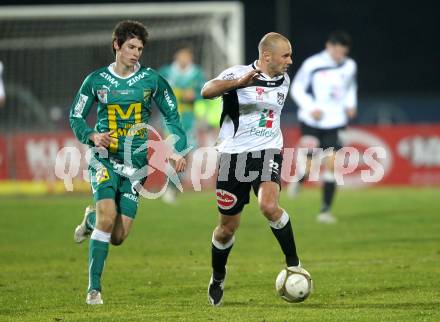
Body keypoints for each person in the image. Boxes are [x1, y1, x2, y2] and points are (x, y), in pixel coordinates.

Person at [69, 20, 187, 305]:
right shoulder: (96, 81)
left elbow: (173, 119)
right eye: (131, 47)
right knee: (108, 218)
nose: (136, 53)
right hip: (104, 159)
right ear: (116, 46)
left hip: (136, 165)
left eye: (140, 48)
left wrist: (176, 148)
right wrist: (92, 135)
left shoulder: (152, 80)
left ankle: (89, 220)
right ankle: (94, 289)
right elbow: (75, 116)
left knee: (118, 235)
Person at [201, 32, 304, 306]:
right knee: (227, 229)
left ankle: (294, 264)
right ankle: (218, 276)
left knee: (269, 207)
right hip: (232, 157)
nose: (290, 61)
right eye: (286, 55)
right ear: (267, 56)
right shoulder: (237, 73)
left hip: (267, 152)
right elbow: (206, 91)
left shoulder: (284, 79)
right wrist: (237, 83)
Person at [287, 31, 357, 224]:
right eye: (336, 49)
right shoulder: (313, 64)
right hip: (312, 120)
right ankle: (301, 178)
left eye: (343, 50)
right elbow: (297, 88)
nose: (339, 53)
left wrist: (351, 104)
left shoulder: (350, 65)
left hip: (336, 120)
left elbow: (350, 87)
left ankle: (325, 211)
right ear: (328, 46)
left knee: (332, 163)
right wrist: (311, 107)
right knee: (311, 164)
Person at [158, 45, 205, 203]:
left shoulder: (197, 73)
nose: (184, 59)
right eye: (181, 56)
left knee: (186, 154)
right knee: (173, 153)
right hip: (170, 120)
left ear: (190, 58)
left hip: (189, 120)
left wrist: (195, 95)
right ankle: (170, 187)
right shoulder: (166, 72)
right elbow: (156, 90)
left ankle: (174, 185)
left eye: (187, 57)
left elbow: (205, 92)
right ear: (176, 57)